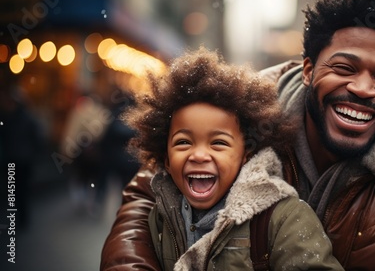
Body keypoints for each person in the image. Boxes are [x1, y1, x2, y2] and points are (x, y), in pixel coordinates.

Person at [101, 0, 375, 270]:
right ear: (309, 70)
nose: (362, 88)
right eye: (343, 68)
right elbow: (147, 193)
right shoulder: (235, 122)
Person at [102, 47, 344, 270]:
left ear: (245, 155)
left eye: (218, 143)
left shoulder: (283, 219)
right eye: (184, 142)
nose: (198, 154)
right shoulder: (158, 215)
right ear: (165, 158)